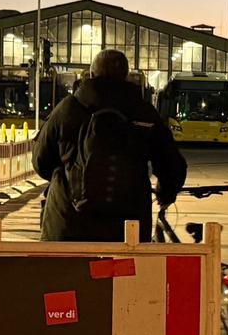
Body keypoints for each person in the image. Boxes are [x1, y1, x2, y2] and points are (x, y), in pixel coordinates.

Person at [34, 49, 188, 242]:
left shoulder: (68, 108)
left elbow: (40, 161)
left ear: (91, 75)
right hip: (127, 229)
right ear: (126, 76)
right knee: (124, 272)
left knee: (67, 272)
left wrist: (70, 175)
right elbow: (172, 165)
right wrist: (166, 192)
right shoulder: (144, 113)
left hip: (69, 225)